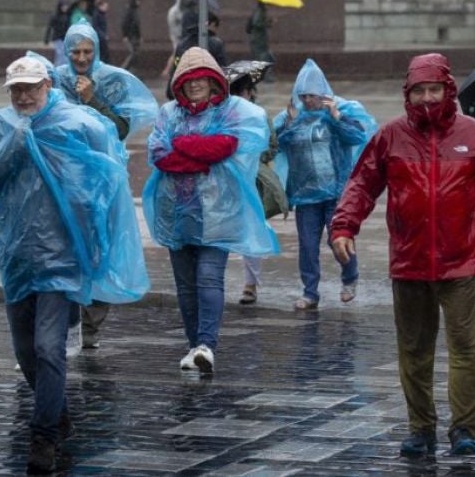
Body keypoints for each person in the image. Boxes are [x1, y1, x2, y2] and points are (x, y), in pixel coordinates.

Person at [330, 53, 475, 459]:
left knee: (465, 350)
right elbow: (361, 184)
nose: (427, 98)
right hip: (409, 261)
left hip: (460, 262)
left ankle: (464, 428)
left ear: (448, 90)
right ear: (408, 94)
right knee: (414, 351)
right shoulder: (390, 136)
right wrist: (343, 226)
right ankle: (421, 428)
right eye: (419, 91)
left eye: (434, 89)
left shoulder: (474, 136)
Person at [0, 53, 148, 473]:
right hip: (17, 255)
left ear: (49, 85)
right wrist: (17, 140)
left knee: (49, 347)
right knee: (26, 351)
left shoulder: (81, 124)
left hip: (65, 256)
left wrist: (99, 242)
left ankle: (43, 436)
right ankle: (57, 413)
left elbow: (108, 182)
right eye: (16, 89)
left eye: (31, 86)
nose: (24, 95)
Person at [143, 47, 279, 373]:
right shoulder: (168, 114)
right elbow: (159, 154)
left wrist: (183, 146)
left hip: (218, 213)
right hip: (177, 212)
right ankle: (195, 346)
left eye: (200, 79)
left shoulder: (231, 112)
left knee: (208, 278)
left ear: (214, 81)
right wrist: (199, 157)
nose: (194, 85)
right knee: (186, 285)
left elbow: (225, 146)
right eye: (188, 80)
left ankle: (207, 343)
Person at [55, 22, 158, 348]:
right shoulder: (55, 80)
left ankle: (92, 326)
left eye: (87, 51)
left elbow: (120, 128)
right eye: (75, 51)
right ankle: (66, 322)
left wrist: (93, 99)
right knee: (67, 250)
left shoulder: (112, 81)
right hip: (64, 181)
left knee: (101, 249)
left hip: (104, 183)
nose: (82, 57)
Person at [274, 59, 377, 310]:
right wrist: (290, 124)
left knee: (337, 239)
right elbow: (279, 145)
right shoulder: (293, 117)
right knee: (308, 246)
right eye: (304, 95)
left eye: (313, 95)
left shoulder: (337, 113)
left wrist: (335, 117)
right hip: (306, 195)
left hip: (335, 194)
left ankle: (350, 277)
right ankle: (310, 292)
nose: (308, 100)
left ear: (324, 94)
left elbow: (357, 136)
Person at [225, 62, 287, 305]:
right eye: (236, 91)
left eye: (244, 90)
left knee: (251, 229)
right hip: (225, 180)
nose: (242, 95)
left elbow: (271, 147)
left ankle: (250, 285)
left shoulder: (260, 116)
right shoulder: (222, 115)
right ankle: (213, 280)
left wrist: (255, 155)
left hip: (251, 180)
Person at [43, 0, 72, 68]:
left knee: (65, 55)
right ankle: (58, 69)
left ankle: (63, 69)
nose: (65, 8)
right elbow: (49, 27)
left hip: (65, 38)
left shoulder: (68, 16)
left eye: (66, 6)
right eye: (63, 6)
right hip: (58, 38)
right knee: (60, 54)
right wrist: (46, 38)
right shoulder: (55, 16)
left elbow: (69, 28)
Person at [120, 0, 142, 71]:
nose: (139, 3)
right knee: (132, 53)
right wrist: (125, 35)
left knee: (135, 54)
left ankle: (131, 70)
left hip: (134, 36)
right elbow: (125, 24)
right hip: (130, 36)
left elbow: (136, 25)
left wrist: (139, 36)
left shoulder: (134, 12)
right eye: (138, 1)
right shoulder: (129, 12)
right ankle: (124, 68)